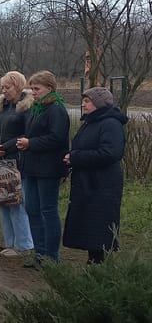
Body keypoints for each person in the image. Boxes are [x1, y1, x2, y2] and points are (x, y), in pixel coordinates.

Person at [63, 87, 127, 264]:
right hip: (87, 183)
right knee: (90, 227)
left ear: (99, 103)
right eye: (83, 100)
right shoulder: (91, 122)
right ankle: (93, 264)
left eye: (87, 101)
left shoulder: (110, 124)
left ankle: (98, 268)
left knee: (99, 228)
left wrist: (76, 157)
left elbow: (110, 153)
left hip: (103, 185)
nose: (83, 104)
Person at [16, 70, 69, 266]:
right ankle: (39, 252)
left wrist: (31, 143)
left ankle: (51, 256)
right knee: (32, 209)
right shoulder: (36, 108)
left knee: (48, 210)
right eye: (32, 88)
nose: (33, 92)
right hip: (32, 167)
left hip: (49, 168)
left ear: (49, 88)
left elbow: (57, 138)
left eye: (37, 88)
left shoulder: (56, 109)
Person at [0, 71, 34, 258]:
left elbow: (26, 133)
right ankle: (9, 241)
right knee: (3, 201)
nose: (4, 91)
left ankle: (23, 244)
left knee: (16, 203)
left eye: (7, 87)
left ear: (18, 86)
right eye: (2, 87)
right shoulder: (2, 107)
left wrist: (5, 147)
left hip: (16, 161)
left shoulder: (26, 108)